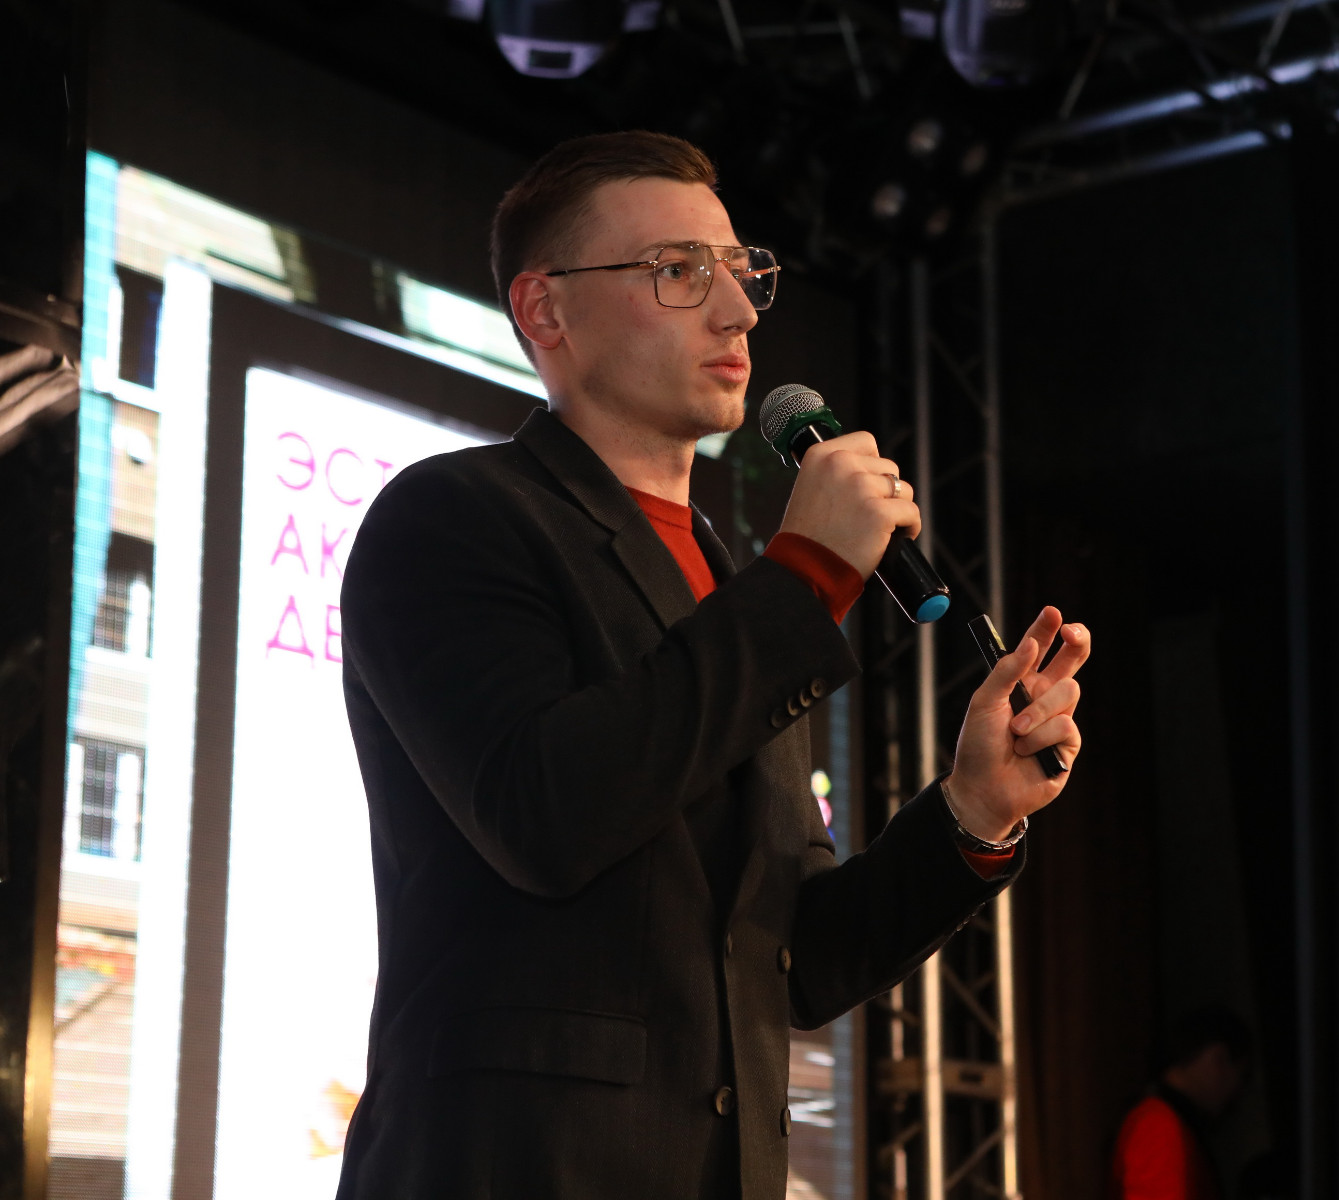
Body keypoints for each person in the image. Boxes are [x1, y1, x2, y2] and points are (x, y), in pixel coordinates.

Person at [332, 131, 1091, 1200]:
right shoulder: (454, 516)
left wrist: (973, 810)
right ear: (545, 310)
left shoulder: (727, 585)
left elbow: (796, 958)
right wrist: (807, 576)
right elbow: (544, 816)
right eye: (678, 271)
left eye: (741, 271)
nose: (738, 311)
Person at [1109, 1007, 1253, 1200]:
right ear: (1218, 1058)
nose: (1239, 1092)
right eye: (1242, 1076)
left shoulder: (1163, 1118)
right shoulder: (1158, 1123)